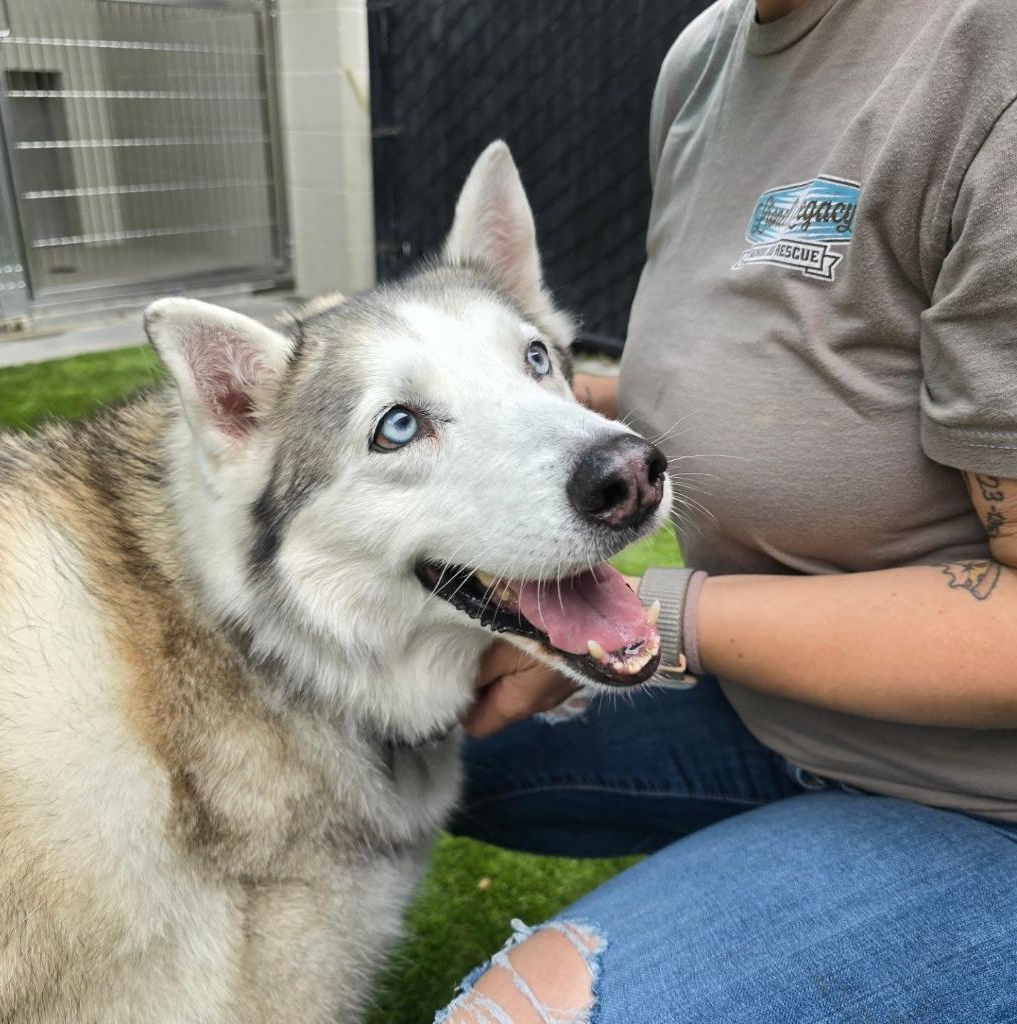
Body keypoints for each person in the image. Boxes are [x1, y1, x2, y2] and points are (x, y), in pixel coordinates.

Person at [436, 0, 1017, 1021]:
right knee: (374, 728)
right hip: (767, 706)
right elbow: (751, 375)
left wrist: (651, 620)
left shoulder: (984, 68)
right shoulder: (704, 57)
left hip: (978, 801)